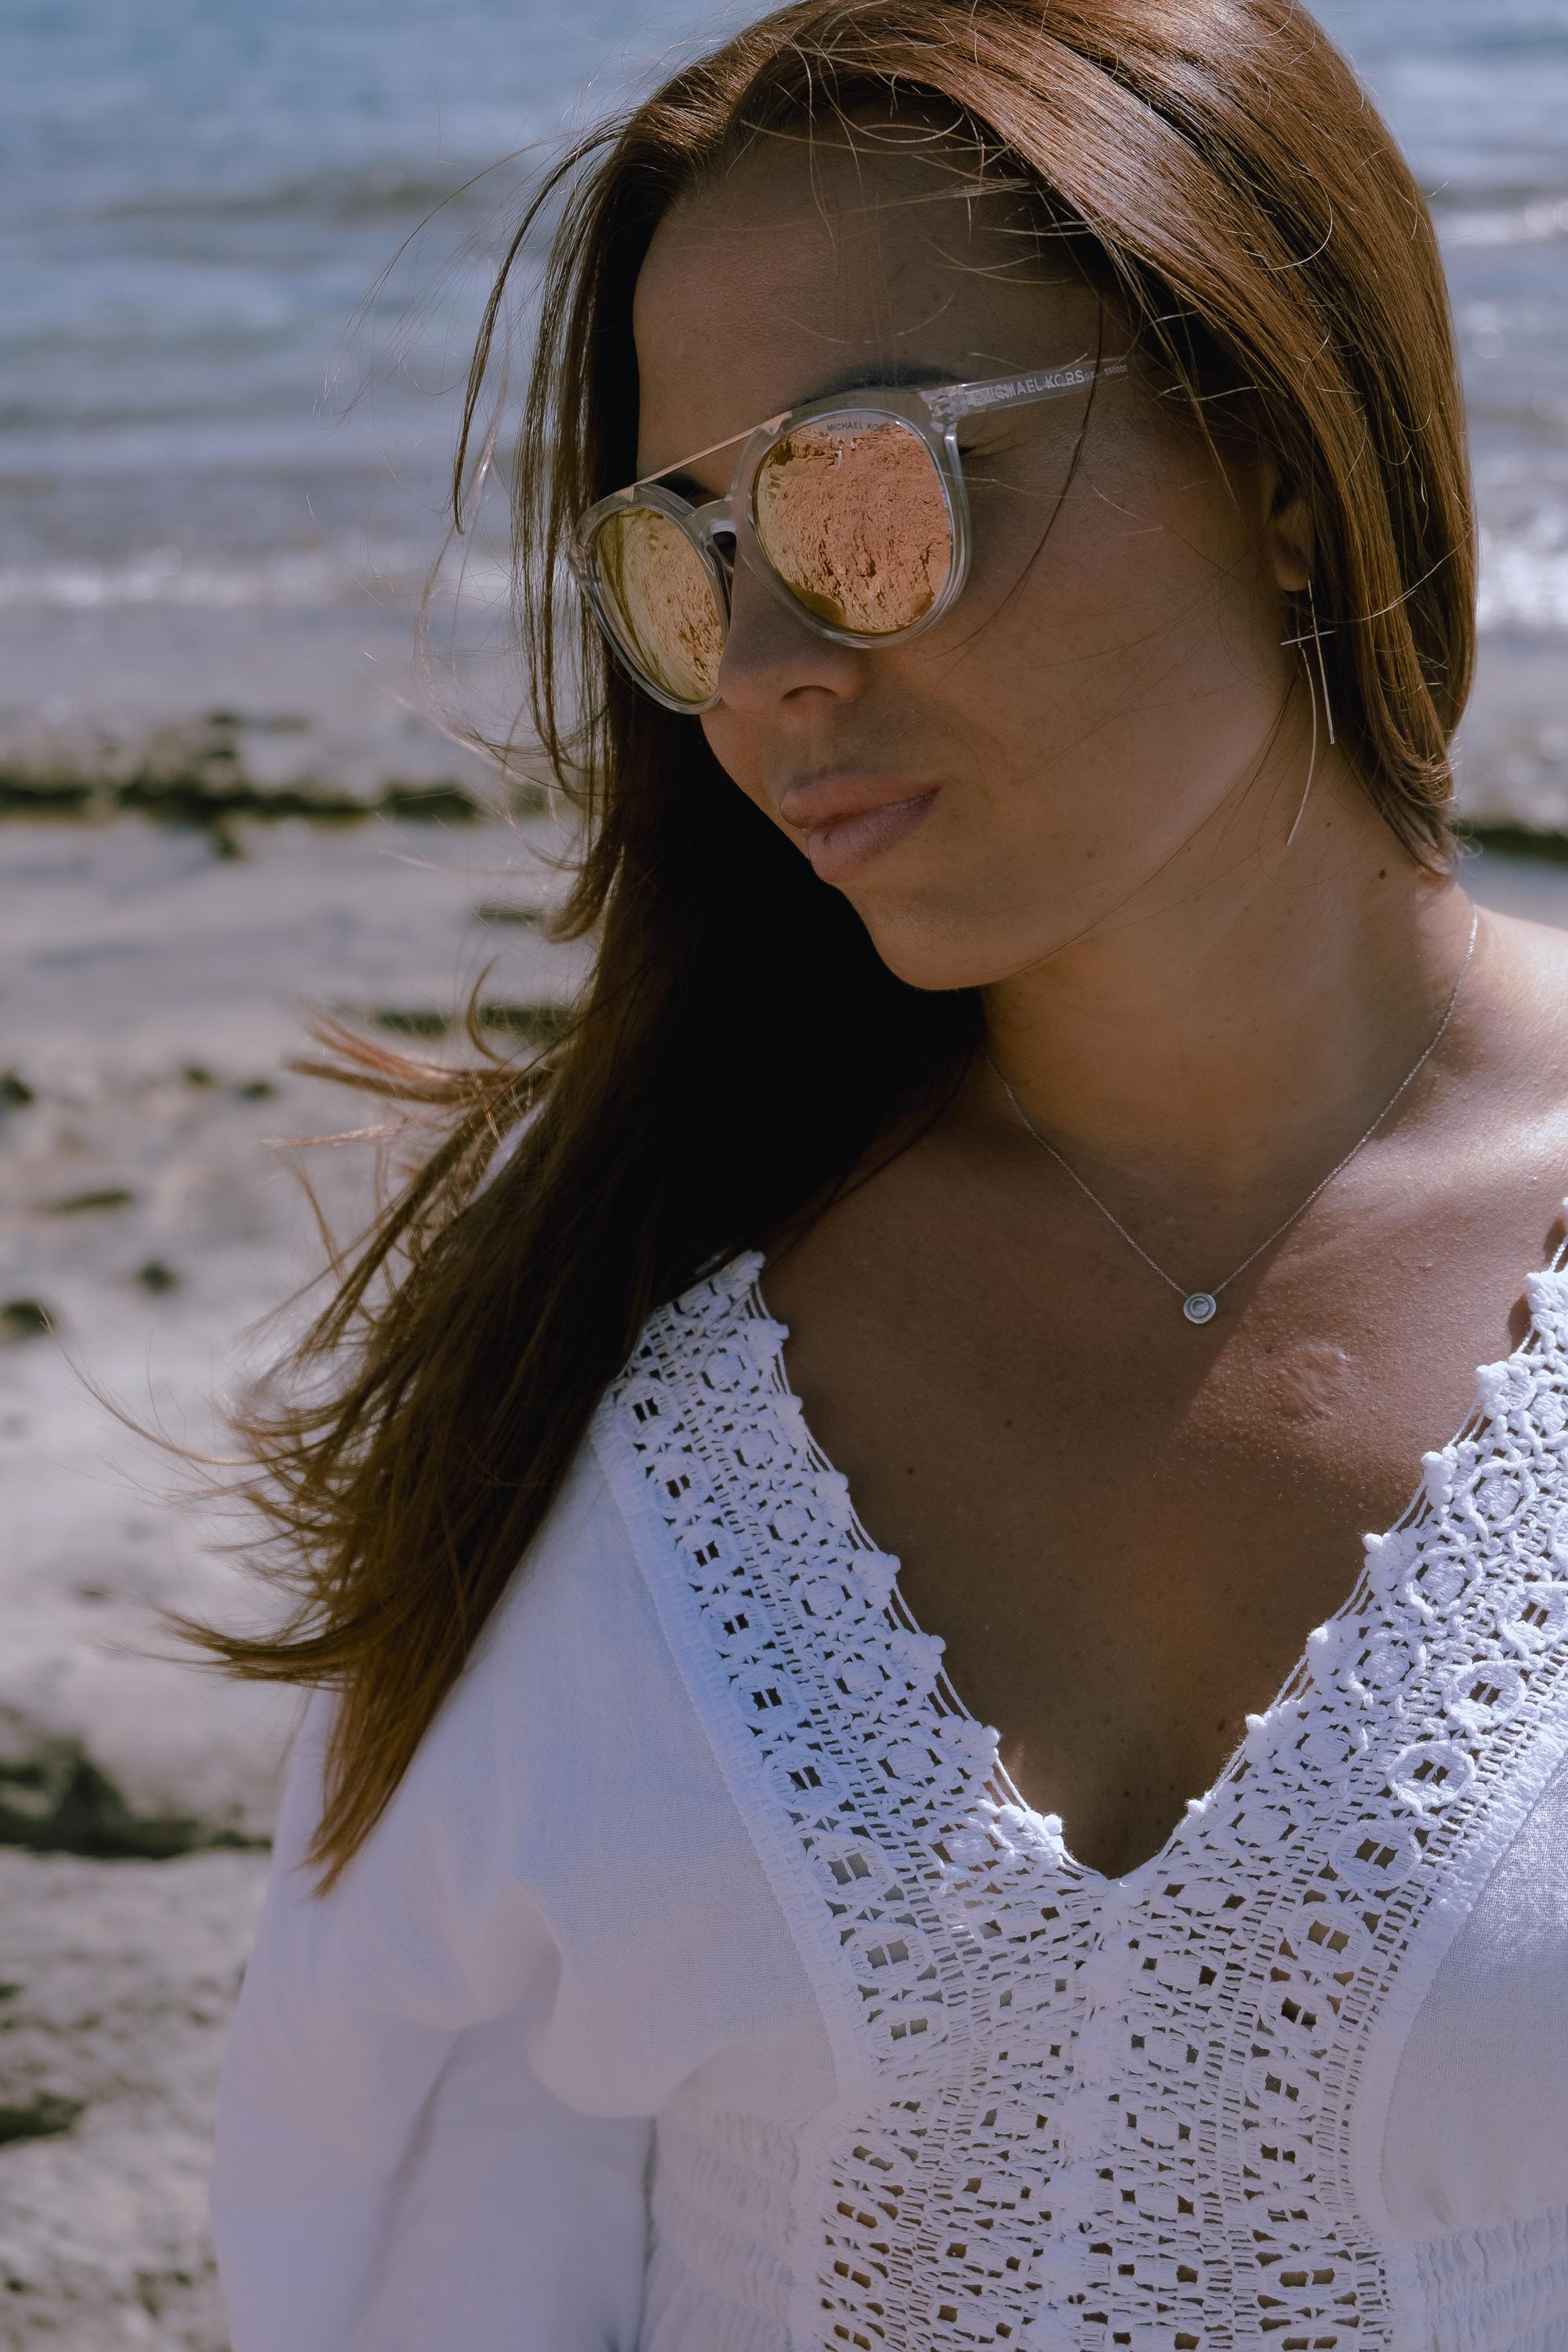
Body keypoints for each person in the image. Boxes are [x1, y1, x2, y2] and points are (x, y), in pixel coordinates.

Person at [205, 2, 1568, 2345]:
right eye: (679, 555)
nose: (755, 669)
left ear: (1268, 446)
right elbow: (409, 2226)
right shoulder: (602, 1342)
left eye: (863, 499)